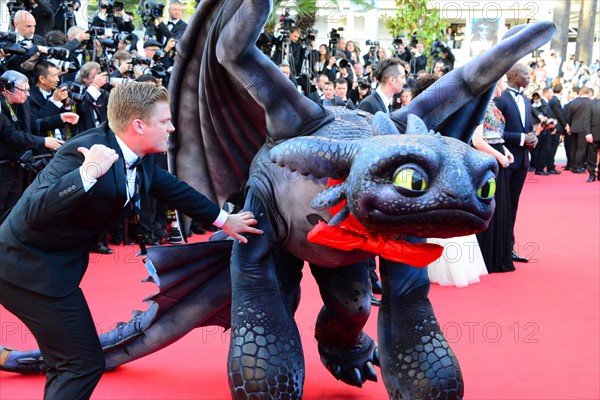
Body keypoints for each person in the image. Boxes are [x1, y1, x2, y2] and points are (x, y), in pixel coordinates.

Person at [0, 83, 262, 400]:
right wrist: (88, 172)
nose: (172, 127)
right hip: (25, 270)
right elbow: (33, 212)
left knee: (74, 363)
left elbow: (173, 189)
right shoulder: (85, 150)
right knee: (80, 364)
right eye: (165, 121)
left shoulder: (141, 157)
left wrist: (224, 220)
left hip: (53, 271)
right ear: (139, 125)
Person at [494, 63, 538, 263]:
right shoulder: (500, 100)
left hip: (522, 162)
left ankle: (509, 248)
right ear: (512, 75)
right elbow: (494, 133)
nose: (529, 78)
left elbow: (528, 128)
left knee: (513, 206)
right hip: (505, 160)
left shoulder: (527, 101)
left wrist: (533, 137)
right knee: (499, 206)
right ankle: (497, 248)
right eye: (525, 74)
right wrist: (522, 138)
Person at [472, 85, 516, 273]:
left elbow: (496, 136)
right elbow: (477, 141)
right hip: (486, 161)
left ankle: (498, 257)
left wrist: (505, 151)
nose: (503, 87)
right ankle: (486, 258)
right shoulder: (479, 106)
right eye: (501, 82)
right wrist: (498, 156)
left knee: (500, 208)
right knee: (488, 207)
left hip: (498, 156)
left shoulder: (495, 106)